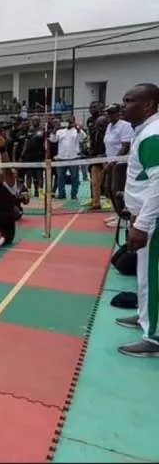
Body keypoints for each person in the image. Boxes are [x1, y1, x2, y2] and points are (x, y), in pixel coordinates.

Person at [116, 83, 159, 358]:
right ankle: (145, 317)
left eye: (129, 100)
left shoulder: (153, 135)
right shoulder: (144, 132)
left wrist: (143, 224)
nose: (123, 105)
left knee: (152, 277)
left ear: (148, 105)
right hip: (143, 216)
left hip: (152, 220)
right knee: (144, 276)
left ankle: (154, 336)